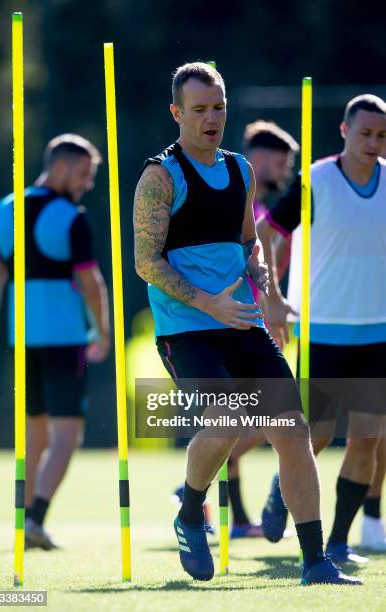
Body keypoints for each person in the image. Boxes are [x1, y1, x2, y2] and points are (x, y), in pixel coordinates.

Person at [133, 61, 359, 585]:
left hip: (243, 322)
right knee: (227, 420)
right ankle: (192, 510)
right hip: (186, 330)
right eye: (199, 110)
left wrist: (272, 293)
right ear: (176, 113)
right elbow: (146, 261)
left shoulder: (240, 170)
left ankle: (315, 561)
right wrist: (208, 303)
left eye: (219, 107)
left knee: (294, 433)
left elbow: (248, 241)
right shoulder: (159, 177)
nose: (211, 118)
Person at [257, 94, 386, 561]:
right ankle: (280, 486)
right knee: (316, 436)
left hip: (376, 333)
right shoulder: (316, 180)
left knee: (367, 440)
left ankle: (337, 543)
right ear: (344, 131)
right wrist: (272, 298)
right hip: (323, 331)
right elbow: (268, 233)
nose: (372, 143)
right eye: (365, 132)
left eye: (381, 135)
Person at [0, 134, 111, 549]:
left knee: (34, 436)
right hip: (64, 338)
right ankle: (35, 518)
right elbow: (91, 284)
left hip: (21, 339)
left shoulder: (5, 208)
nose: (88, 183)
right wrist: (103, 329)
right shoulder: (71, 216)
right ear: (63, 167)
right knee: (68, 436)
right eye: (85, 174)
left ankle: (25, 522)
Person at [228, 121, 299, 539]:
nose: (286, 171)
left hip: (253, 326)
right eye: (280, 161)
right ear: (257, 159)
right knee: (259, 419)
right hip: (240, 327)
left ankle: (234, 518)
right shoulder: (246, 210)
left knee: (252, 418)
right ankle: (196, 483)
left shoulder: (260, 210)